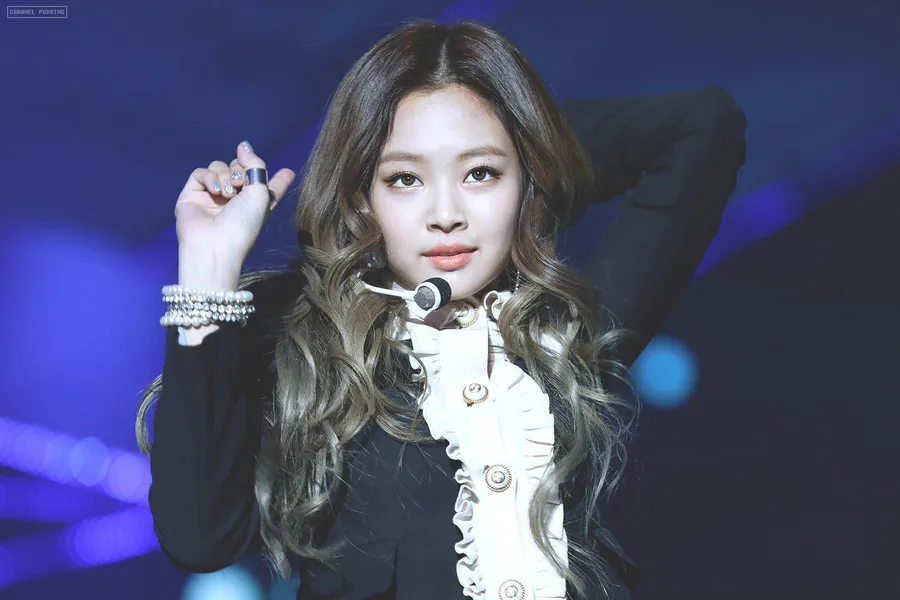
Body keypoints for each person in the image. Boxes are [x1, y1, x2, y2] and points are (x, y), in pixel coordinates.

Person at [137, 19, 746, 600]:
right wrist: (209, 267)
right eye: (405, 179)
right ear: (362, 195)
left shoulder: (563, 339)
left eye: (480, 173)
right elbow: (201, 540)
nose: (446, 213)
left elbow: (703, 126)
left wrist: (528, 140)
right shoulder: (312, 352)